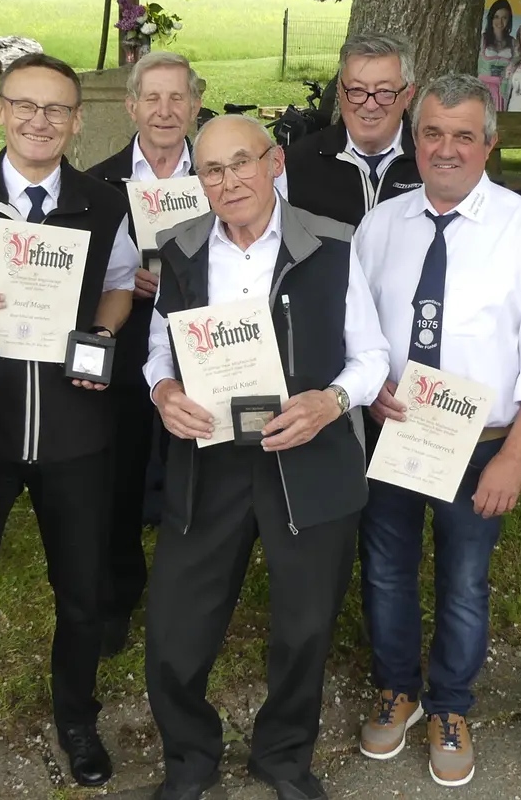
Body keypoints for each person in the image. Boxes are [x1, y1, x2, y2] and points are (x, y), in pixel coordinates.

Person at [144, 115, 390, 800]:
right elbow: (161, 346)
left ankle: (283, 758)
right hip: (209, 460)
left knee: (305, 627)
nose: (229, 182)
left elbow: (371, 357)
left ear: (274, 162)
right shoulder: (181, 247)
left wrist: (330, 402)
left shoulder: (333, 245)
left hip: (308, 459)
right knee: (174, 629)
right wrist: (162, 390)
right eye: (212, 171)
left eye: (241, 163)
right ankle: (189, 762)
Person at [353, 74, 521, 787]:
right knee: (385, 569)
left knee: (464, 582)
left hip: (481, 444)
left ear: (490, 144)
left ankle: (451, 704)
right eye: (433, 133)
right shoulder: (381, 225)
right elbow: (357, 327)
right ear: (414, 140)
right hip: (395, 430)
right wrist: (369, 381)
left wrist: (517, 452)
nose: (447, 149)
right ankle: (399, 690)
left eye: (463, 135)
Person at [0, 53, 139, 786]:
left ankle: (77, 718)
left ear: (77, 120)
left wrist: (103, 333)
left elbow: (119, 286)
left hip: (77, 426)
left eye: (56, 110)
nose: (39, 121)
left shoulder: (104, 203)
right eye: (25, 106)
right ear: (0, 110)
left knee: (83, 591)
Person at [85, 50, 202, 657]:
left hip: (206, 351)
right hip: (128, 349)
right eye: (151, 98)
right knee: (121, 476)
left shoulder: (219, 175)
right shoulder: (100, 183)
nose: (164, 111)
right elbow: (82, 278)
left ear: (195, 105)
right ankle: (119, 597)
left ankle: (186, 601)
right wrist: (123, 282)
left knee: (193, 480)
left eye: (176, 97)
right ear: (131, 106)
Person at [278, 33, 423, 227]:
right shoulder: (295, 165)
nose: (370, 105)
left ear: (408, 95)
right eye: (356, 90)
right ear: (339, 90)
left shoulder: (431, 162)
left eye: (385, 92)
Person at [478, 0, 515, 79]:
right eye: (496, 17)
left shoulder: (513, 43)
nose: (500, 22)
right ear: (491, 18)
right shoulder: (481, 40)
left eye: (504, 18)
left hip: (504, 88)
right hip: (482, 88)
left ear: (509, 20)